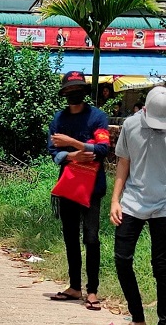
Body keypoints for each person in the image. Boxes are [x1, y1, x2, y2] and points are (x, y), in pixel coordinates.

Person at [47, 71, 109, 308]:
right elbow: (54, 152)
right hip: (69, 186)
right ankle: (75, 287)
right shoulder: (58, 119)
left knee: (91, 238)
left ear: (84, 92)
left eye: (78, 90)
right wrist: (76, 154)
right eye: (70, 91)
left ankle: (92, 290)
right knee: (71, 238)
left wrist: (71, 143)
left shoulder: (97, 117)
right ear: (64, 94)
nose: (74, 94)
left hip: (92, 188)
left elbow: (102, 149)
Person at [111, 86, 166, 325]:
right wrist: (115, 199)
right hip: (133, 202)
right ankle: (138, 318)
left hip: (164, 205)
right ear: (144, 110)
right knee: (122, 259)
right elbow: (124, 162)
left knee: (163, 268)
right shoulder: (131, 125)